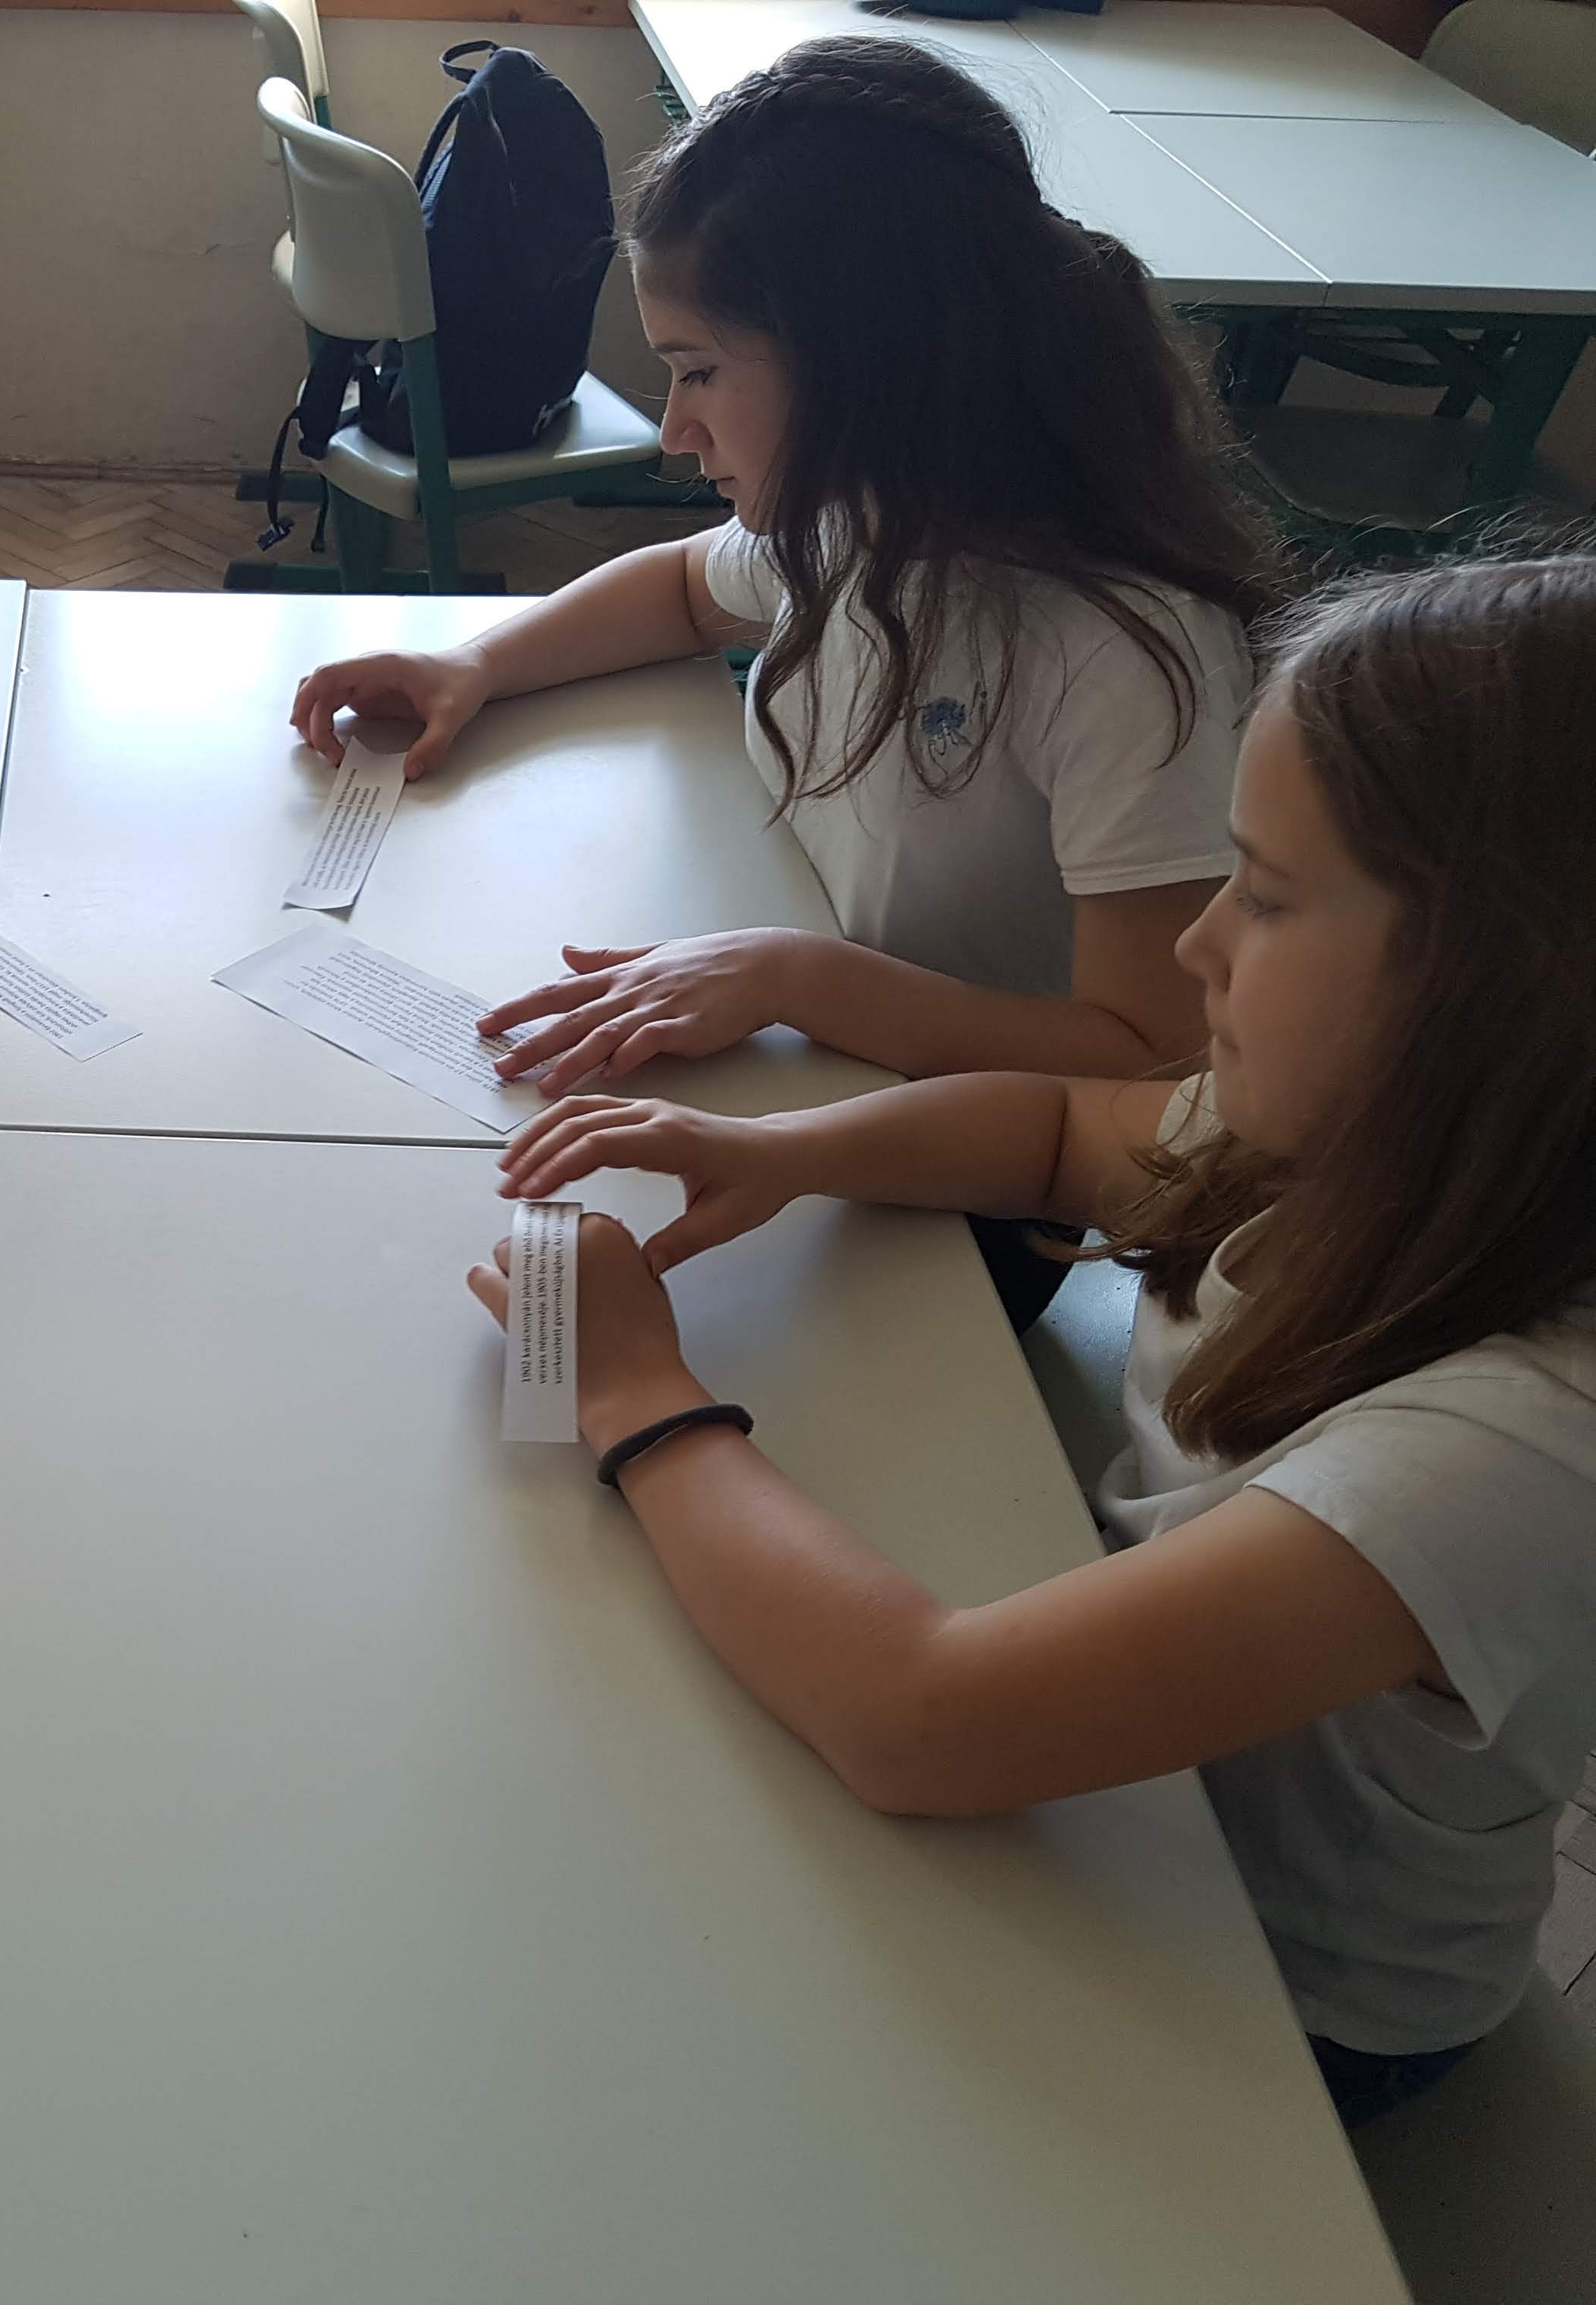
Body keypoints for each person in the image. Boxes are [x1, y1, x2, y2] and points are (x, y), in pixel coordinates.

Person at [472, 556, 1596, 2128]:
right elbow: (1064, 1131)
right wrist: (789, 1151)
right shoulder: (1370, 1140)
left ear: (1503, 993)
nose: (1196, 947)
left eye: (1267, 897)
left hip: (1283, 2000)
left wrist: (637, 1394)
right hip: (1140, 1789)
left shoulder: (1516, 1443)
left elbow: (919, 1720)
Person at [291, 37, 1277, 1322]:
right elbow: (685, 587)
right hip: (805, 1054)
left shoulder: (1123, 650)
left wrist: (800, 980)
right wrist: (472, 661)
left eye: (698, 370)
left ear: (871, 361)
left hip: (974, 1185)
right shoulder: (861, 509)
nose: (672, 430)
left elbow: (1153, 1060)